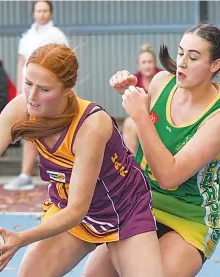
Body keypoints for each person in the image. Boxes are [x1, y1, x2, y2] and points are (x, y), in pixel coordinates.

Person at [0, 43, 165, 277]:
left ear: (67, 89)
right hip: (70, 210)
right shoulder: (20, 108)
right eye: (28, 83)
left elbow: (78, 209)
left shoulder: (91, 124)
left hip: (123, 210)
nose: (32, 97)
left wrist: (20, 239)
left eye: (44, 89)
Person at [82, 23, 220, 277]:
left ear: (215, 65)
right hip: (140, 204)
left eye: (193, 57)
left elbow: (169, 177)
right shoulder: (160, 83)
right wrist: (131, 94)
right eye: (180, 53)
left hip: (189, 219)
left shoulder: (217, 118)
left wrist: (140, 117)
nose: (182, 63)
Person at [4, 0, 69, 191]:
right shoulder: (27, 36)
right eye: (39, 10)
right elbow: (21, 63)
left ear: (50, 13)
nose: (42, 14)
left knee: (52, 132)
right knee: (29, 131)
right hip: (28, 93)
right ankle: (25, 175)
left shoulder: (57, 35)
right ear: (33, 13)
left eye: (45, 10)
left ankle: (59, 176)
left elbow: (65, 64)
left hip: (48, 93)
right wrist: (19, 91)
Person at [122, 44, 161, 153]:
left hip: (161, 115)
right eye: (144, 62)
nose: (147, 65)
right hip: (142, 114)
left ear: (155, 64)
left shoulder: (162, 76)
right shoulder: (133, 81)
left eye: (150, 62)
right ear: (139, 66)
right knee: (129, 123)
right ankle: (131, 162)